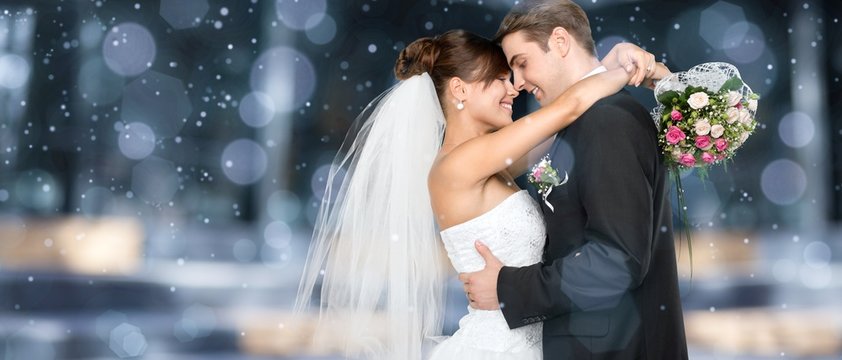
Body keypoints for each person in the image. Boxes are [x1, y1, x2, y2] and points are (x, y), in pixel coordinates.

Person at [295, 29, 665, 359]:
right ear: (459, 89)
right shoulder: (459, 164)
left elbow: (562, 114)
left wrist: (605, 66)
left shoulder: (494, 161)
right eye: (500, 80)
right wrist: (620, 67)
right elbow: (566, 108)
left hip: (534, 337)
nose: (514, 88)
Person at [459, 1, 689, 359]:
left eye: (521, 63)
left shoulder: (607, 122)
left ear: (561, 42)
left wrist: (508, 288)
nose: (518, 83)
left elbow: (616, 260)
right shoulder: (581, 121)